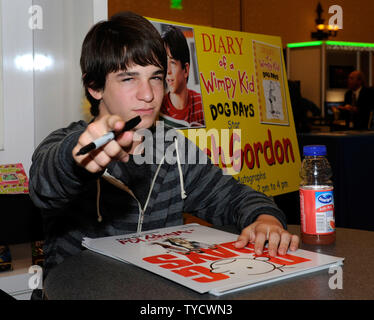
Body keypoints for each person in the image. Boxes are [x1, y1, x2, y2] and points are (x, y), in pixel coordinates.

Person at [29, 12, 299, 279]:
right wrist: (75, 161)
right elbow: (45, 183)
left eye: (156, 77)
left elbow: (231, 196)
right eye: (128, 78)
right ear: (95, 86)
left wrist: (265, 218)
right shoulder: (69, 142)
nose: (148, 95)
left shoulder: (173, 148)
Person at [160, 25, 205, 128]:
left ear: (186, 69)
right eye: (164, 63)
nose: (168, 71)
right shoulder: (159, 110)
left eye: (172, 62)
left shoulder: (201, 105)